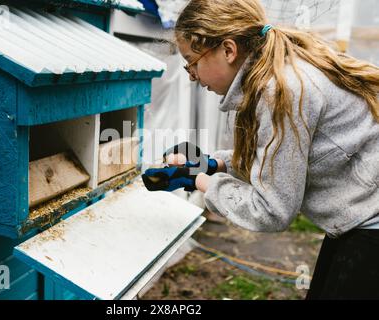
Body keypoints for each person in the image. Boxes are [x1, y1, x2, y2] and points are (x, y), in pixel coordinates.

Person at [141, 0, 379, 299]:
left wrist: (197, 179)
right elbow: (278, 160)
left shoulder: (282, 91)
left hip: (371, 222)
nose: (191, 75)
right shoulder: (272, 79)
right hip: (357, 218)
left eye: (192, 61)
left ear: (228, 50)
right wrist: (211, 163)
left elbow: (271, 210)